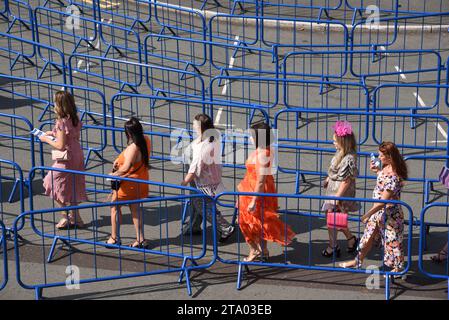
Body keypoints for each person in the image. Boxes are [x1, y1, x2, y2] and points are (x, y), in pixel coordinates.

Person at [340, 142, 408, 275]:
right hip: (379, 213)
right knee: (367, 237)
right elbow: (382, 183)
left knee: (393, 242)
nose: (379, 157)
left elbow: (383, 201)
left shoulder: (393, 176)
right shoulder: (387, 167)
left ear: (389, 157)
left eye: (381, 155)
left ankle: (398, 268)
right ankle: (357, 261)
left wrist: (367, 215)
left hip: (390, 215)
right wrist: (378, 172)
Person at [237, 121, 296, 262]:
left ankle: (255, 250)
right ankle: (263, 250)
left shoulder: (263, 154)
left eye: (251, 136)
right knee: (258, 221)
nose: (250, 138)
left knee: (247, 222)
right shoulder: (264, 149)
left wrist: (253, 200)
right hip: (251, 189)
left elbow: (261, 181)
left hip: (256, 192)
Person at [181, 114, 234, 242]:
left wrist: (185, 181)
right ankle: (193, 226)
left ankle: (225, 227)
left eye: (194, 124)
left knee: (204, 206)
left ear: (200, 127)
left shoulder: (204, 146)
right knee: (198, 203)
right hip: (207, 178)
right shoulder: (209, 137)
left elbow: (195, 167)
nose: (192, 125)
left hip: (204, 181)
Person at [41, 91, 87, 229]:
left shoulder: (61, 121)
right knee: (72, 183)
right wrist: (53, 133)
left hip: (68, 156)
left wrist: (46, 139)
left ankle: (65, 215)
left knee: (50, 182)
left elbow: (60, 145)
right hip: (77, 153)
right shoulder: (74, 118)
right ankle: (76, 217)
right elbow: (73, 135)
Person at [106, 117, 151, 248]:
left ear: (129, 133)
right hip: (141, 179)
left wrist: (113, 174)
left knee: (114, 207)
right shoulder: (146, 140)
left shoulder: (133, 147)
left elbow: (126, 167)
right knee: (136, 209)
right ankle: (140, 239)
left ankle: (114, 238)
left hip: (129, 183)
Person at [322, 120, 360, 257]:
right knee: (335, 220)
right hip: (334, 190)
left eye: (335, 141)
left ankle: (333, 246)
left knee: (332, 220)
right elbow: (335, 171)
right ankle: (351, 239)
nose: (333, 143)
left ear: (343, 141)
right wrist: (328, 179)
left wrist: (337, 197)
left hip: (340, 193)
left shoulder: (349, 158)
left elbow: (346, 180)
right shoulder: (340, 153)